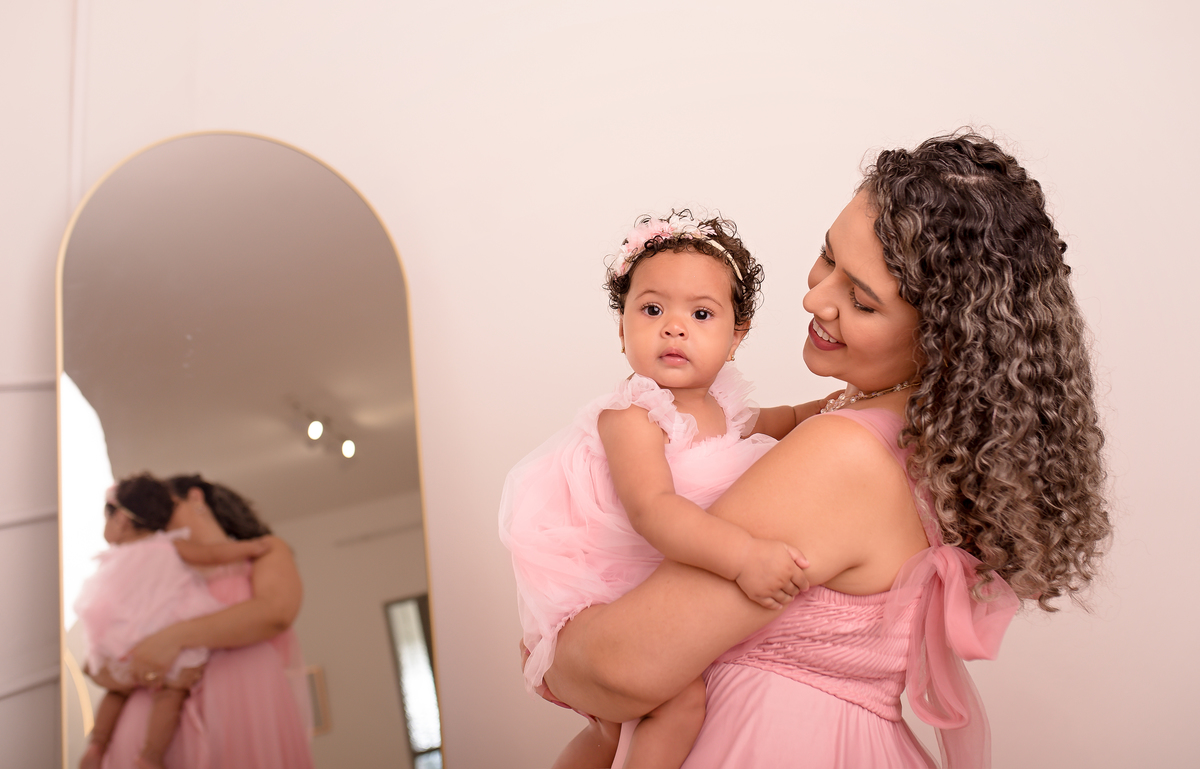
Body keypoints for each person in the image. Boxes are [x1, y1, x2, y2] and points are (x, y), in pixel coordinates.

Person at [541, 132, 1111, 768]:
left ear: (944, 339)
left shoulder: (845, 454)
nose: (815, 298)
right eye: (827, 255)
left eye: (861, 300)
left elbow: (623, 667)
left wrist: (552, 659)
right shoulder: (933, 437)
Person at [500, 211, 821, 769]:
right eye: (652, 310)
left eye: (701, 313)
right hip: (607, 591)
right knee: (676, 701)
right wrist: (745, 557)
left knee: (626, 728)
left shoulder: (726, 407)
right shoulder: (633, 415)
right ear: (621, 329)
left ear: (736, 337)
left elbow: (788, 420)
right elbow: (653, 510)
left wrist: (846, 403)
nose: (674, 327)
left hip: (663, 587)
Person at [90, 474, 315, 769]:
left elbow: (276, 612)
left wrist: (171, 638)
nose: (158, 517)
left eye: (167, 505)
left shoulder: (262, 550)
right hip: (145, 737)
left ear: (195, 497)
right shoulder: (152, 569)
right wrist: (121, 668)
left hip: (240, 720)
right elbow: (103, 659)